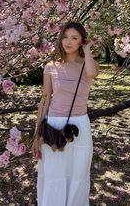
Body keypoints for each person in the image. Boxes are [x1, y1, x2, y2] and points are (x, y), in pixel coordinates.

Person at [31, 21, 99, 206]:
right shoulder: (51, 66)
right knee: (54, 174)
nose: (68, 42)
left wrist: (87, 51)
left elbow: (92, 74)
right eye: (65, 37)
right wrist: (37, 133)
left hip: (80, 127)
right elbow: (45, 99)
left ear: (81, 41)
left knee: (78, 174)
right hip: (53, 125)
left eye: (74, 38)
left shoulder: (88, 64)